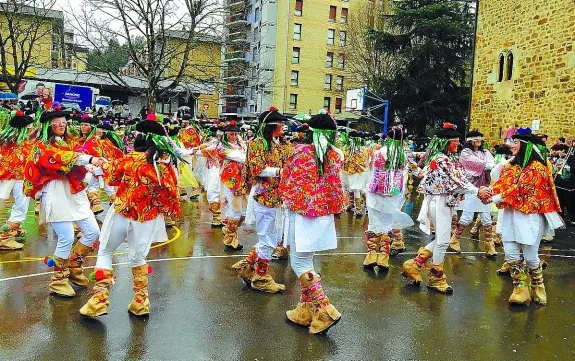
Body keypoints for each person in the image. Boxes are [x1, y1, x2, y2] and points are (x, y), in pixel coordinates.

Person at [79, 113, 181, 317]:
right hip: (147, 218)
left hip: (122, 212)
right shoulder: (164, 166)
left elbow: (113, 178)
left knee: (106, 252)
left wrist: (102, 166)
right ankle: (141, 302)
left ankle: (99, 301)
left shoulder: (129, 159)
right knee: (138, 257)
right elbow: (172, 192)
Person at [24, 105, 105, 297]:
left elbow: (75, 161)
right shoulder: (41, 147)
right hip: (55, 193)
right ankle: (58, 281)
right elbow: (61, 158)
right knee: (67, 237)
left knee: (93, 231)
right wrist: (89, 159)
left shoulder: (67, 143)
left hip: (74, 193)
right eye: (57, 122)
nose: (61, 124)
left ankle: (74, 266)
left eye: (63, 122)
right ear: (47, 125)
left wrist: (91, 169)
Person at [401, 122, 491, 294]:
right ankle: (436, 277)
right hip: (439, 201)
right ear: (444, 142)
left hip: (446, 202)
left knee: (442, 239)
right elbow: (455, 182)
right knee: (443, 241)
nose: (457, 143)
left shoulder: (449, 159)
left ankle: (414, 264)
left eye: (458, 140)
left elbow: (461, 179)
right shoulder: (441, 159)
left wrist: (478, 189)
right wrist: (477, 190)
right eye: (454, 141)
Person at [280, 111, 344, 334]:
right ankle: (304, 310)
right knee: (308, 261)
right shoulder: (336, 155)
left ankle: (325, 308)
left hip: (302, 215)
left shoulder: (300, 152)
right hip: (324, 215)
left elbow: (287, 182)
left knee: (299, 263)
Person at [484, 128, 563, 305]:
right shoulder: (511, 166)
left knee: (529, 255)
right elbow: (499, 180)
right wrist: (488, 192)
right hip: (511, 213)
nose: (512, 146)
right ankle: (520, 288)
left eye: (516, 143)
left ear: (527, 146)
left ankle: (538, 285)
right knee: (511, 253)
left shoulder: (538, 168)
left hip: (530, 217)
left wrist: (493, 197)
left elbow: (520, 188)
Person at [231, 106, 292, 293]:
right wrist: (280, 171)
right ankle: (261, 277)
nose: (283, 126)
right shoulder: (257, 143)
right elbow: (257, 169)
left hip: (276, 197)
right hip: (264, 197)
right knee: (268, 238)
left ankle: (248, 268)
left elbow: (288, 159)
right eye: (281, 123)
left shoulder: (279, 144)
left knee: (271, 236)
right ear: (272, 125)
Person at [363, 126, 416, 270]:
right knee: (387, 223)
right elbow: (412, 170)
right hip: (394, 192)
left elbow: (371, 170)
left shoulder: (379, 152)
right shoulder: (404, 155)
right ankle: (383, 257)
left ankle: (371, 255)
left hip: (375, 191)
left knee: (374, 222)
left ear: (388, 138)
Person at [450, 129, 496, 257]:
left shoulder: (486, 152)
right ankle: (455, 239)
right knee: (467, 216)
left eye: (480, 139)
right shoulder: (465, 153)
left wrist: (488, 164)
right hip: (472, 187)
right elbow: (476, 165)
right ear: (470, 141)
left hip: (485, 186)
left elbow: (492, 163)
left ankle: (489, 244)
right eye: (475, 139)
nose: (478, 141)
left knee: (486, 217)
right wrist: (487, 165)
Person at [0, 109, 36, 249]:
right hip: (12, 177)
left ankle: (12, 230)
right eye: (29, 126)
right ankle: (5, 238)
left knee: (21, 205)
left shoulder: (13, 140)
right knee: (20, 206)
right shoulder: (15, 142)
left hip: (18, 177)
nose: (31, 128)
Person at [217, 120, 248, 251]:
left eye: (235, 134)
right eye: (230, 134)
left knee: (244, 211)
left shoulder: (242, 145)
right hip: (231, 180)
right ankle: (230, 239)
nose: (233, 137)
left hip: (243, 180)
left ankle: (228, 229)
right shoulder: (222, 147)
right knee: (235, 209)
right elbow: (240, 157)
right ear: (225, 135)